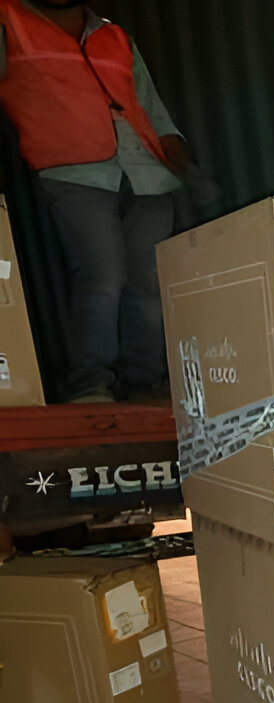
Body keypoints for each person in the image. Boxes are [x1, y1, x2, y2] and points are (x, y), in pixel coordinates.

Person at [0, 0, 188, 403]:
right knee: (102, 277)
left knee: (149, 283)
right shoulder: (8, 22)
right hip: (73, 171)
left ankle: (144, 384)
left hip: (146, 172)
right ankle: (91, 385)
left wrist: (186, 168)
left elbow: (153, 111)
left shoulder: (114, 36)